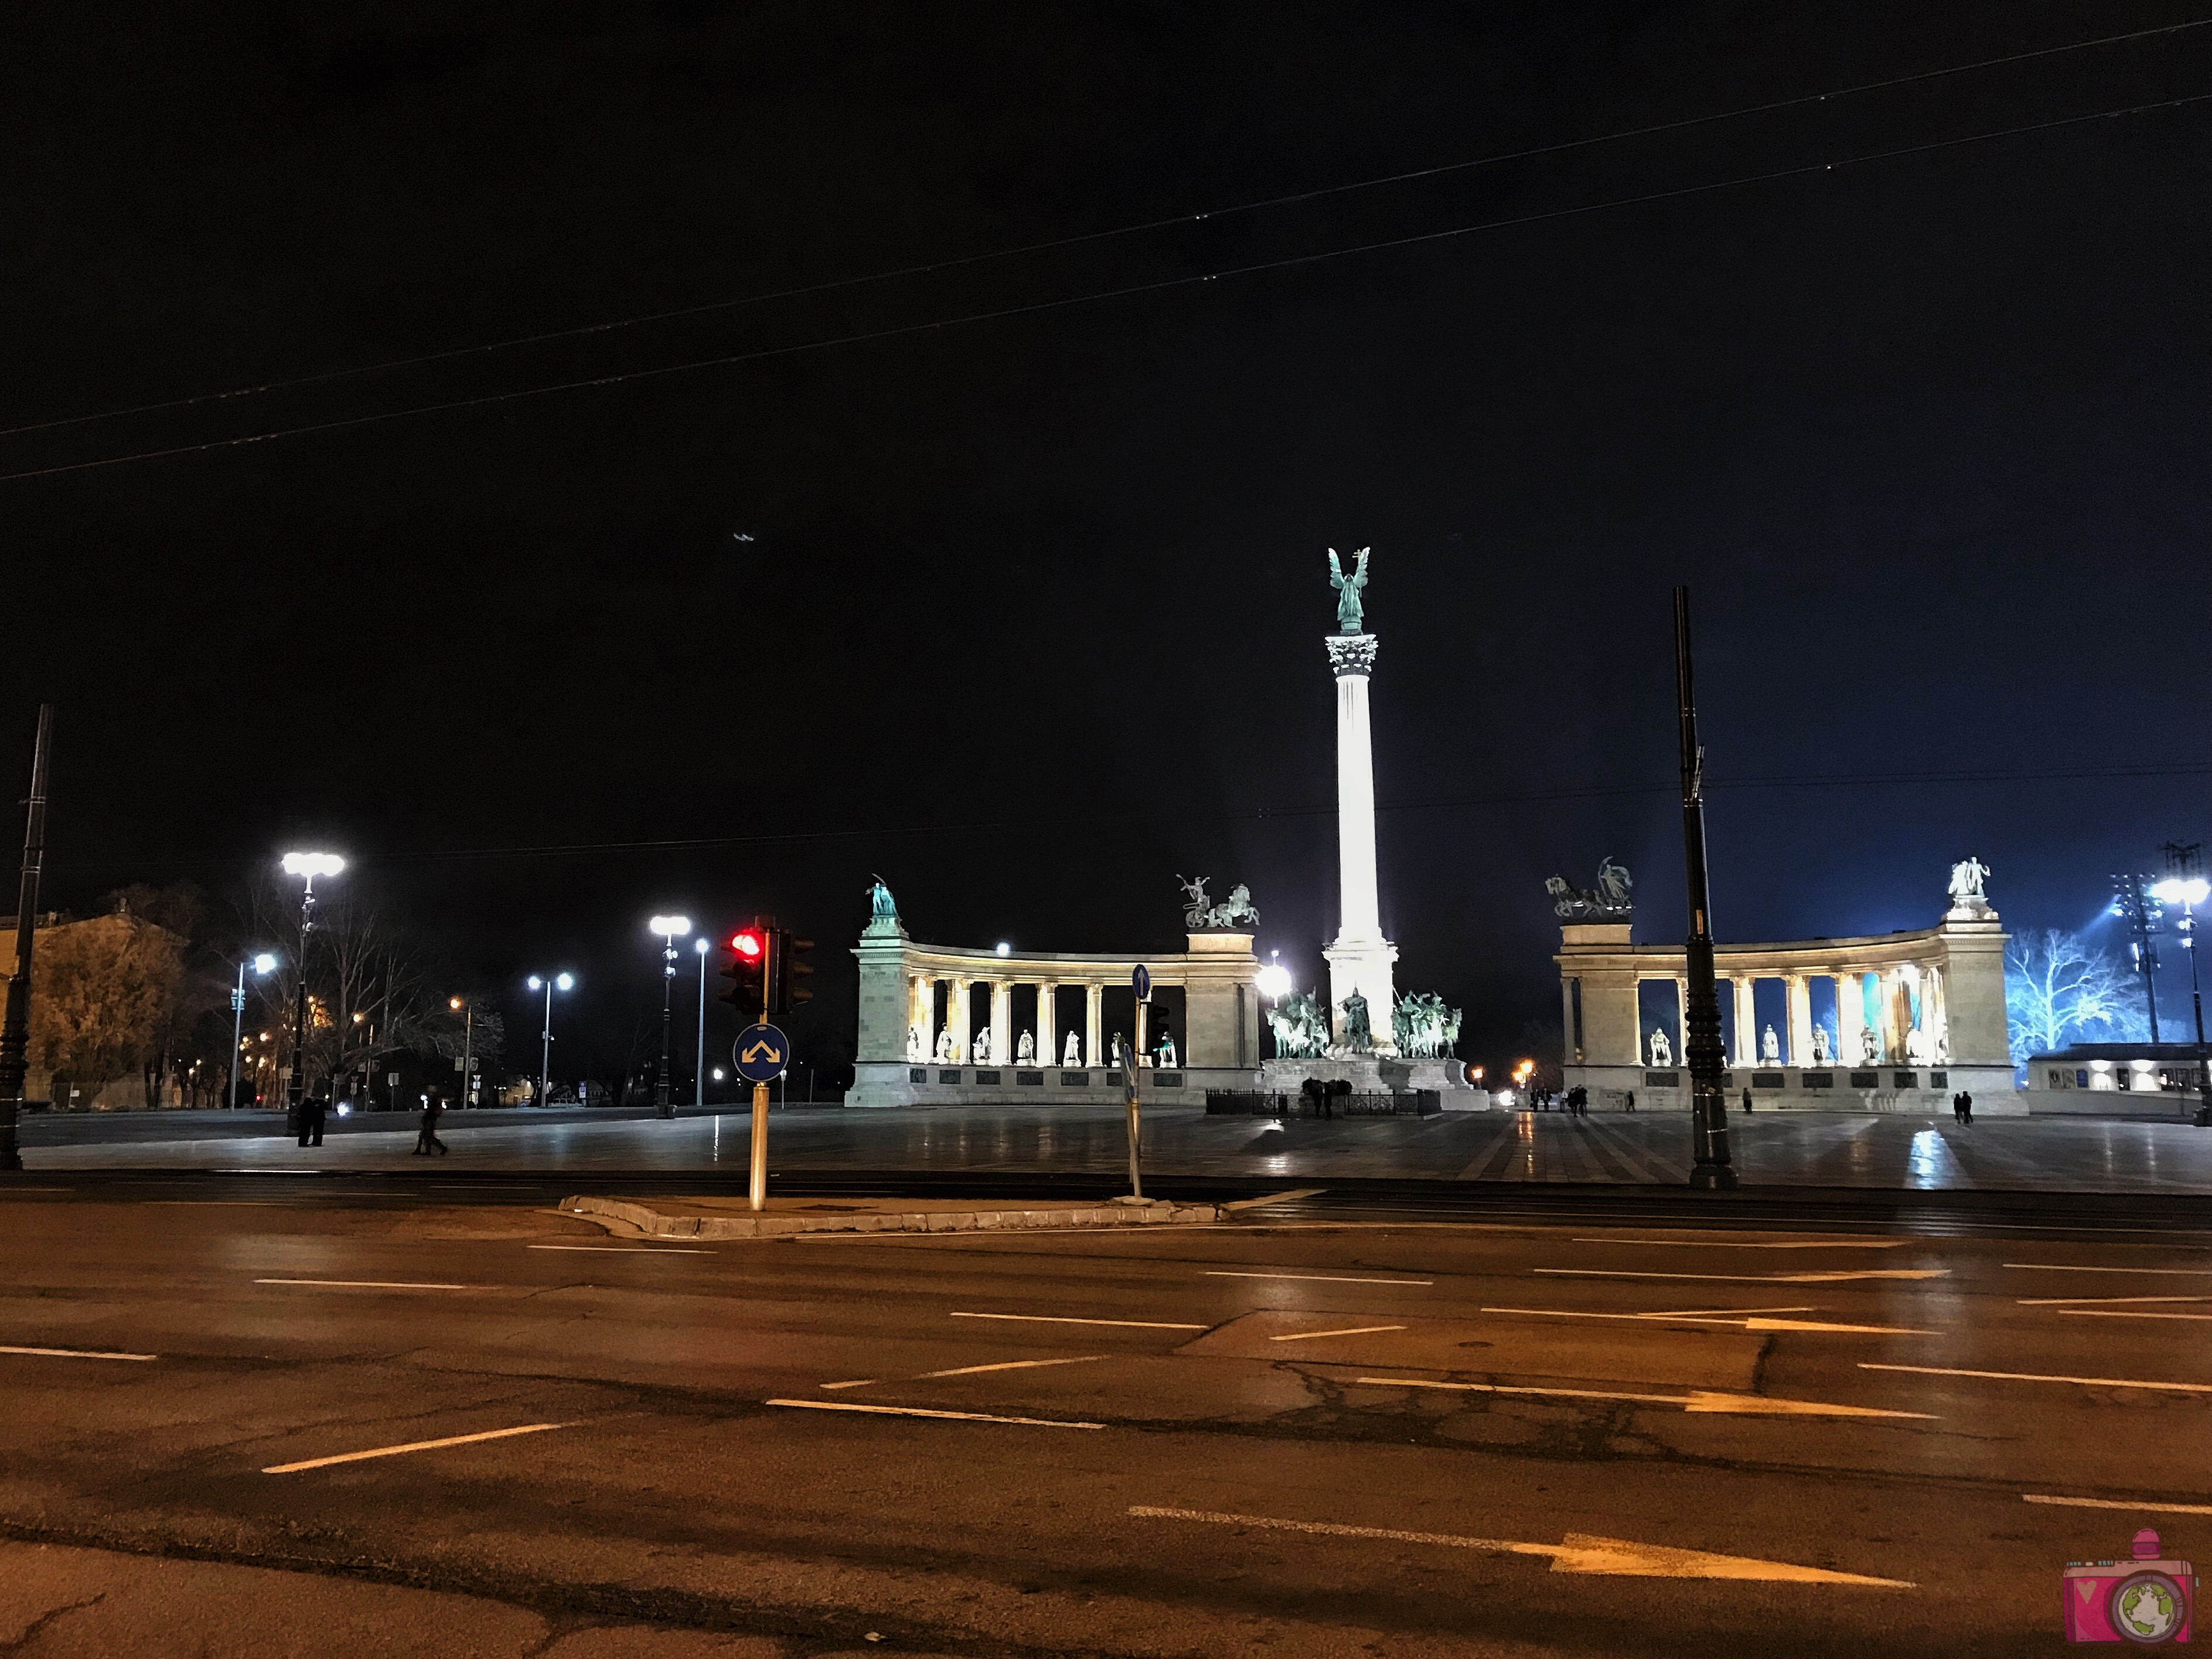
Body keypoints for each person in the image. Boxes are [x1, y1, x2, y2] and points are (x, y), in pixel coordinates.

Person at [414, 1091, 448, 1156]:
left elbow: (431, 1111)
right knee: (424, 1135)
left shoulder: (433, 1102)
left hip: (430, 1120)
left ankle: (441, 1148)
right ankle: (425, 1150)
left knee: (428, 1136)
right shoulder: (434, 1101)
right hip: (429, 1119)